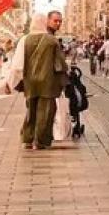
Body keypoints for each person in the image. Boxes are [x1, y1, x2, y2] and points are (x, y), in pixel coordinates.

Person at [9, 11, 69, 150]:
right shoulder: (52, 40)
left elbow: (17, 64)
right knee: (46, 111)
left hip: (30, 82)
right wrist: (63, 82)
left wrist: (10, 83)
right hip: (47, 82)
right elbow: (59, 64)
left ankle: (27, 139)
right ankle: (40, 141)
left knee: (31, 109)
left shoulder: (24, 39)